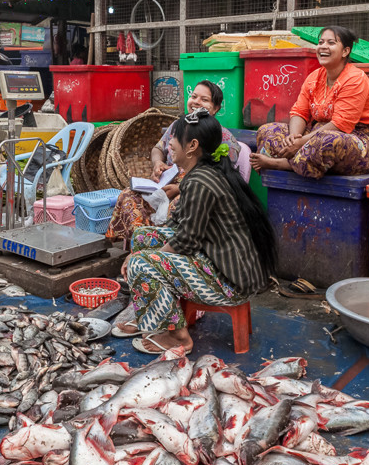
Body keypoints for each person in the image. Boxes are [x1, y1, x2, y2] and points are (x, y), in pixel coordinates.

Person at [111, 109, 276, 353]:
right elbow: (179, 226)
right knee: (143, 236)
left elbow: (186, 241)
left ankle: (179, 338)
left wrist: (138, 259)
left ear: (192, 146)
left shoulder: (201, 182)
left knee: (141, 264)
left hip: (229, 283)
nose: (169, 144)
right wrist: (141, 251)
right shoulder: (198, 175)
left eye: (174, 138)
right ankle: (152, 315)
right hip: (214, 257)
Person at [105, 80, 241, 245]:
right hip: (165, 183)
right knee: (128, 195)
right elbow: (158, 149)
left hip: (194, 190)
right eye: (194, 96)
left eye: (204, 100)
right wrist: (157, 164)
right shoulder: (178, 126)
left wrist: (179, 188)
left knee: (177, 205)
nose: (196, 102)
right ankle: (139, 244)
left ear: (216, 108)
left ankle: (163, 250)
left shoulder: (225, 140)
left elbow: (220, 180)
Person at [250, 26, 369, 179]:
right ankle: (299, 160)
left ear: (345, 51)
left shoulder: (355, 79)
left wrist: (300, 144)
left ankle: (283, 164)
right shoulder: (314, 77)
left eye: (331, 43)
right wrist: (294, 138)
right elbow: (299, 112)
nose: (323, 47)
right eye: (321, 42)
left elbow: (341, 125)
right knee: (268, 130)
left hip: (359, 140)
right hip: (316, 134)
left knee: (327, 142)